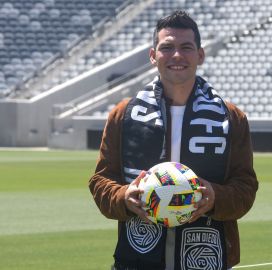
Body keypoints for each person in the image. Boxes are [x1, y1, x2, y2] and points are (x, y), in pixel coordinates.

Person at [88, 10, 258, 270]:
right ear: (153, 55)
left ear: (200, 55)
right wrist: (123, 197)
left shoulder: (230, 117)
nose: (177, 55)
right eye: (167, 47)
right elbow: (100, 181)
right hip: (135, 260)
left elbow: (246, 188)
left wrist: (216, 197)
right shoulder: (123, 114)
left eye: (186, 47)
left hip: (207, 259)